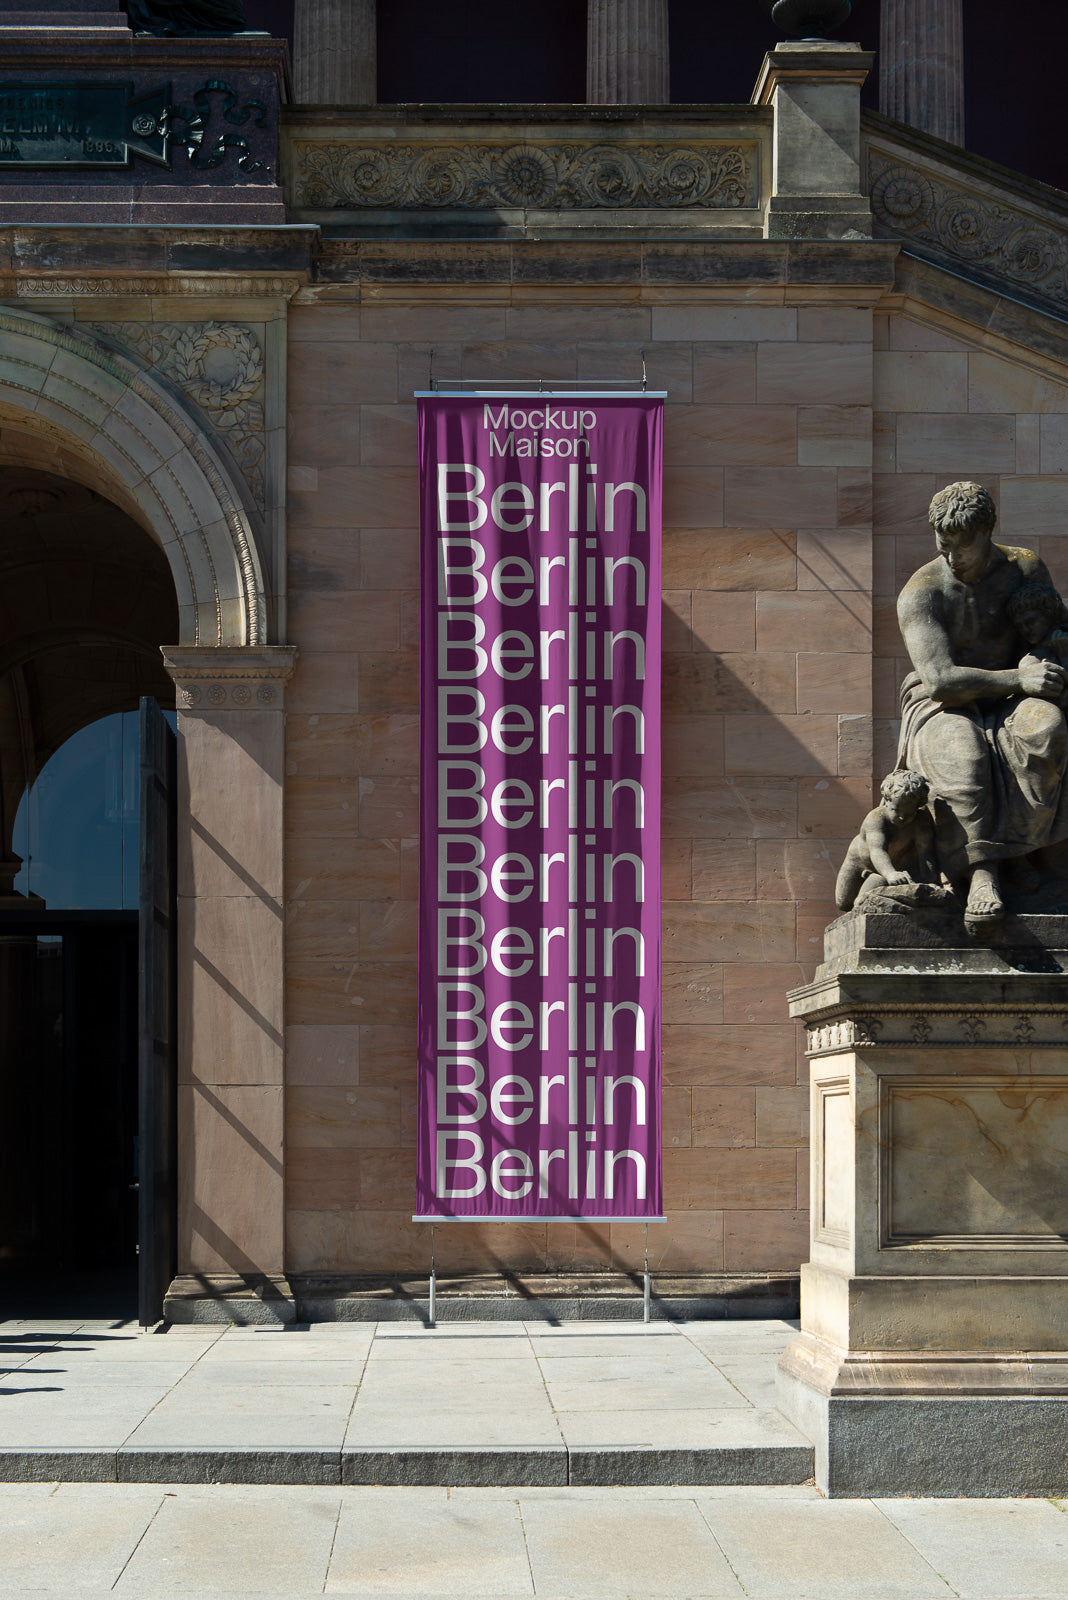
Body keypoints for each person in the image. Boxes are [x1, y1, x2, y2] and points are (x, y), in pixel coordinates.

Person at [896, 481, 1068, 930]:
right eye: (944, 545)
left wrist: (1044, 659)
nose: (952, 557)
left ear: (989, 531)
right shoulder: (922, 591)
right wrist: (1020, 675)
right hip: (944, 702)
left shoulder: (1024, 567)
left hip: (1014, 697)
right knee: (963, 754)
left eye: (963, 546)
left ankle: (1028, 857)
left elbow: (1049, 629)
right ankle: (981, 875)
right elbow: (940, 681)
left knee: (1045, 731)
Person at [835, 769, 939, 912]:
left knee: (868, 894)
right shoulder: (876, 818)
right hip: (859, 862)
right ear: (887, 800)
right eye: (896, 810)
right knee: (843, 902)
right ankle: (877, 878)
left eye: (909, 813)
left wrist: (930, 882)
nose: (902, 817)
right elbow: (877, 850)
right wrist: (890, 873)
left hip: (893, 865)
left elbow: (926, 854)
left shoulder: (921, 821)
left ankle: (875, 881)